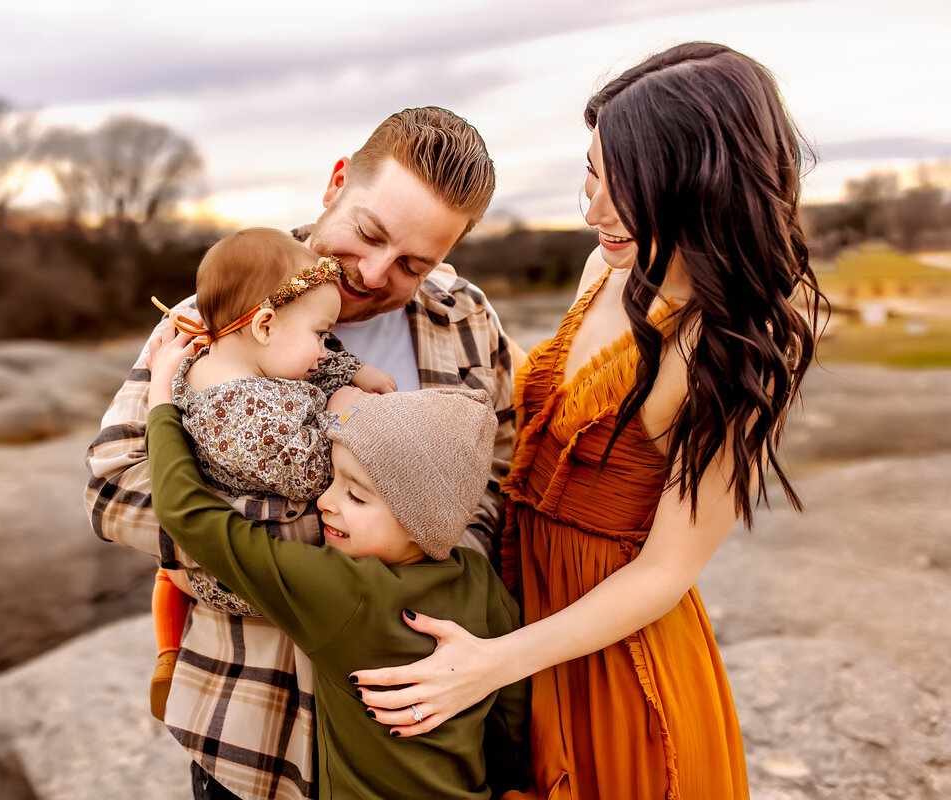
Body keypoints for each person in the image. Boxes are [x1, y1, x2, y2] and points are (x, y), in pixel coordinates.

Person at [350, 43, 823, 799]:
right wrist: (419, 288)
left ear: (699, 186)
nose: (596, 212)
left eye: (624, 188)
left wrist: (492, 662)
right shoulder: (606, 266)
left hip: (609, 666)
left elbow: (668, 571)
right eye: (592, 178)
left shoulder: (733, 342)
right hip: (514, 606)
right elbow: (547, 400)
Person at [84, 106, 518, 800]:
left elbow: (500, 471)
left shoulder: (465, 318)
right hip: (257, 732)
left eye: (413, 263)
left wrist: (439, 568)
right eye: (369, 233)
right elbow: (113, 488)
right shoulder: (219, 310)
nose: (374, 273)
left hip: (421, 740)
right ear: (337, 182)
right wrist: (327, 557)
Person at [146, 330, 529, 798]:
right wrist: (512, 782)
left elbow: (186, 513)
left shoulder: (341, 591)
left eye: (355, 494)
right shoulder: (480, 578)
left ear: (418, 520)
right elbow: (511, 706)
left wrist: (161, 400)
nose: (324, 502)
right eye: (332, 479)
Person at [146, 228, 396, 719]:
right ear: (263, 325)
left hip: (226, 555)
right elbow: (309, 474)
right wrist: (346, 410)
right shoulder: (245, 414)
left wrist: (351, 370)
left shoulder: (223, 359)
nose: (326, 350)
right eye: (322, 335)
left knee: (165, 574)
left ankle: (166, 649)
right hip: (251, 579)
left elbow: (298, 356)